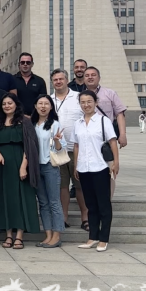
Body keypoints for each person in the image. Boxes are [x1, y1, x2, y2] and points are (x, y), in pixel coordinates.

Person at [0, 93, 41, 250]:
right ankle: (8, 234)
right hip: (2, 165)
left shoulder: (25, 121)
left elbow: (30, 145)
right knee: (4, 198)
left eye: (10, 103)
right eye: (4, 103)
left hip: (19, 163)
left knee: (20, 199)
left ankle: (19, 235)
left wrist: (24, 166)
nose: (7, 106)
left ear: (16, 104)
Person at [74, 90, 119, 252]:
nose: (86, 105)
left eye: (89, 102)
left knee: (103, 204)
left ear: (96, 103)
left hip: (100, 167)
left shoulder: (103, 121)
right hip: (83, 168)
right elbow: (76, 145)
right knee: (90, 205)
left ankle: (103, 238)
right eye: (83, 102)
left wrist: (116, 162)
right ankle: (92, 236)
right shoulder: (78, 123)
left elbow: (112, 142)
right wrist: (76, 165)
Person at [51, 69, 87, 231]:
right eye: (55, 80)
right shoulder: (49, 99)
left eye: (61, 79)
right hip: (57, 150)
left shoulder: (78, 97)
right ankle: (64, 217)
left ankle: (85, 217)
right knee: (62, 186)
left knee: (80, 185)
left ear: (67, 80)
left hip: (76, 149)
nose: (58, 82)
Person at [31, 95, 67, 248]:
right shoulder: (32, 124)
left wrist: (57, 140)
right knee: (43, 203)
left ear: (51, 107)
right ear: (35, 106)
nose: (43, 106)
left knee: (54, 202)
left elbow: (60, 148)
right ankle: (48, 235)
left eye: (46, 104)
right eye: (40, 103)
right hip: (35, 167)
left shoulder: (55, 124)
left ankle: (57, 235)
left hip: (50, 166)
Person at [83, 66, 127, 149]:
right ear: (84, 79)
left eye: (93, 75)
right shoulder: (79, 96)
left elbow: (119, 114)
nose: (90, 77)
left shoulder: (110, 93)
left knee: (109, 157)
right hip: (87, 137)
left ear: (99, 78)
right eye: (87, 75)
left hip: (107, 137)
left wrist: (122, 134)